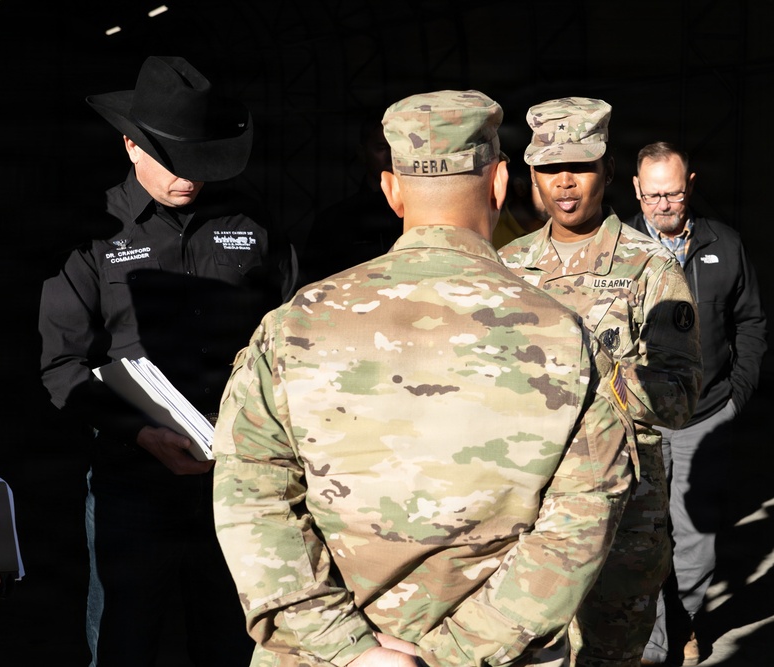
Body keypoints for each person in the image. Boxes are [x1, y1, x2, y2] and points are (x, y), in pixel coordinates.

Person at [212, 89, 636, 666]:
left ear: (391, 190)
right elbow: (583, 519)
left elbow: (252, 497)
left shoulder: (290, 328)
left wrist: (351, 650)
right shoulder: (568, 338)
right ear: (500, 183)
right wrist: (454, 653)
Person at [38, 55, 297, 666]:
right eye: (173, 160)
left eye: (201, 160)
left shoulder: (253, 224)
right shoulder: (92, 232)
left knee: (234, 639)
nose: (189, 178)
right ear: (130, 145)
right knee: (127, 639)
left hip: (239, 480)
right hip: (134, 482)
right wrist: (141, 434)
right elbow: (62, 367)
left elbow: (291, 342)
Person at [499, 99, 703, 667]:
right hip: (527, 512)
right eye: (548, 168)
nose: (564, 183)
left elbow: (680, 397)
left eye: (580, 166)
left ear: (608, 172)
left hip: (623, 515)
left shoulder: (650, 268)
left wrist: (585, 375)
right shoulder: (507, 268)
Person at [628, 142, 767, 666]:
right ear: (637, 189)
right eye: (653, 194)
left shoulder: (724, 245)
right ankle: (642, 633)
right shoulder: (613, 250)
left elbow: (750, 322)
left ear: (691, 185)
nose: (663, 205)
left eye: (674, 194)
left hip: (704, 419)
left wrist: (736, 396)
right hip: (636, 421)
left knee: (694, 538)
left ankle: (677, 628)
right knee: (638, 534)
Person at [300, 114, 402, 282]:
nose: (391, 157)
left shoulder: (422, 215)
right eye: (382, 148)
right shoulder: (335, 221)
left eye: (397, 149)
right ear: (362, 153)